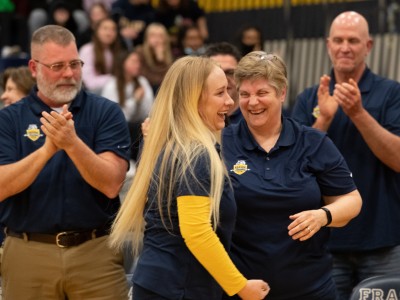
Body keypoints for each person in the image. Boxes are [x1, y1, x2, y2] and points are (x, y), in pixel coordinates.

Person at [109, 55, 270, 300]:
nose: (229, 101)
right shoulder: (195, 154)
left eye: (228, 91)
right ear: (192, 101)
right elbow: (196, 232)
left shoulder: (169, 145)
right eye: (220, 93)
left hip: (160, 284)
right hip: (178, 289)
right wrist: (241, 287)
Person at [0, 25, 130, 299]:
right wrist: (47, 150)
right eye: (57, 66)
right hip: (28, 251)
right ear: (34, 68)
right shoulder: (9, 119)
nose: (69, 73)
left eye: (75, 64)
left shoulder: (106, 112)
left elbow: (111, 184)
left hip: (96, 252)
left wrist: (72, 144)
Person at [222, 51, 362, 299]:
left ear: (282, 92)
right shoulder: (221, 143)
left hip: (311, 290)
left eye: (262, 93)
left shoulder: (313, 141)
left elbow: (352, 200)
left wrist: (323, 215)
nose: (252, 102)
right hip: (242, 292)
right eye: (244, 94)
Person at [291, 11, 400, 299]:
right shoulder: (309, 98)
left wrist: (358, 114)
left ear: (369, 46)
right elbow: (292, 167)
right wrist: (323, 121)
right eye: (338, 40)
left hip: (384, 241)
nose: (345, 47)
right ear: (328, 45)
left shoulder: (391, 94)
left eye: (353, 40)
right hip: (323, 242)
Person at [101, 50, 154, 161]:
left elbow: (149, 111)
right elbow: (117, 117)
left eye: (139, 62)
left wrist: (141, 100)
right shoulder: (112, 85)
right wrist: (135, 100)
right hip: (118, 129)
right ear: (123, 63)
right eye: (134, 61)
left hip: (138, 127)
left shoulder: (142, 82)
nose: (138, 65)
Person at [79, 17, 123, 94]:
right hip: (92, 94)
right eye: (105, 28)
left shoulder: (117, 51)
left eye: (113, 29)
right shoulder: (87, 50)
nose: (109, 33)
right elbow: (89, 82)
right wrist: (114, 79)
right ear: (97, 31)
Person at [204, 41, 242, 125]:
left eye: (230, 72)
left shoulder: (253, 115)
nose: (224, 79)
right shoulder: (197, 119)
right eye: (216, 72)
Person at [136, 22, 174, 95]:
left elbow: (169, 79)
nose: (157, 39)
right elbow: (143, 77)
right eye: (153, 36)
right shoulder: (139, 52)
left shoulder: (169, 55)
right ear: (147, 38)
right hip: (145, 91)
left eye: (160, 36)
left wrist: (161, 59)